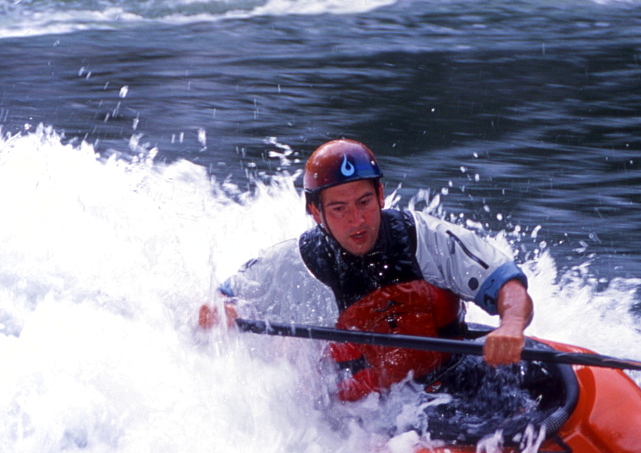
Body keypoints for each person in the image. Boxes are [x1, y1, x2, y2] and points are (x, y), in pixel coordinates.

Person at [199, 139, 533, 408]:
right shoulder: (291, 262)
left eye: (364, 202)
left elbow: (507, 284)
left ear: (381, 195)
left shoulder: (425, 237)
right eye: (339, 208)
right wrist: (220, 312)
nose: (357, 220)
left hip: (452, 376)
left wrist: (512, 325)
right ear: (316, 212)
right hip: (367, 414)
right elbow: (220, 302)